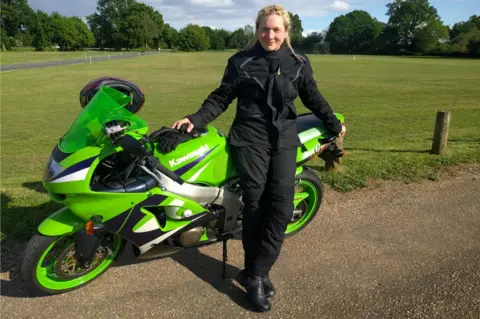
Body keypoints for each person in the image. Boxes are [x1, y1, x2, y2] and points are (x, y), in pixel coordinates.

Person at [172, 4, 345, 312]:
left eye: (276, 29)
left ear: (286, 32)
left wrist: (334, 125)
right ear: (257, 30)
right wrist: (196, 119)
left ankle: (257, 270)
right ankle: (256, 277)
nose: (270, 35)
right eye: (265, 29)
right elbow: (221, 97)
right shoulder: (241, 61)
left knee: (280, 209)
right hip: (249, 138)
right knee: (255, 204)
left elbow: (313, 97)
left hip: (284, 139)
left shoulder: (298, 63)